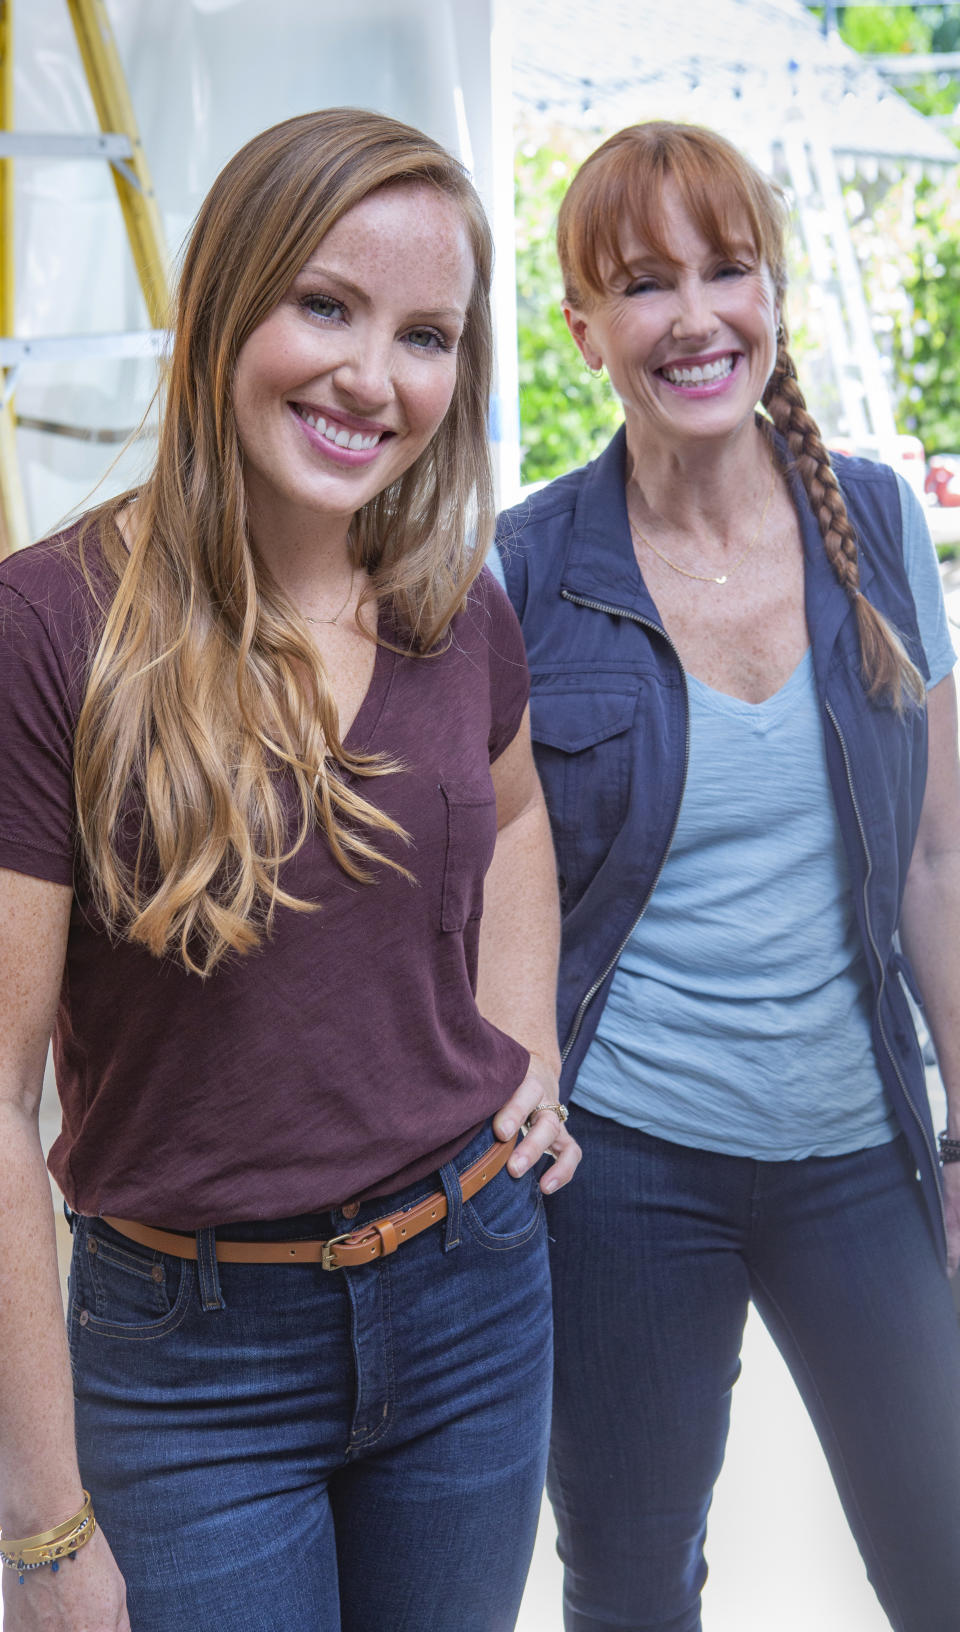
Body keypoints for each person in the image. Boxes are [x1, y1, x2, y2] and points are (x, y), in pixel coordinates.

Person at [0, 107, 579, 1632]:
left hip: (471, 1295)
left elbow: (518, 818)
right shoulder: (50, 629)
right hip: (188, 1363)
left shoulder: (458, 608)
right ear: (222, 303)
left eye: (426, 335)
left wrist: (527, 1042)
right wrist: (46, 1538)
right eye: (326, 305)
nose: (372, 378)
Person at [497, 120, 960, 1632]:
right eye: (643, 283)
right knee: (632, 1582)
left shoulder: (882, 525)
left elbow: (941, 868)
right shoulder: (524, 569)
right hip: (624, 1165)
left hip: (858, 1155)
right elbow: (490, 887)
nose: (694, 316)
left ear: (773, 292)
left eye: (728, 268)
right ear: (584, 330)